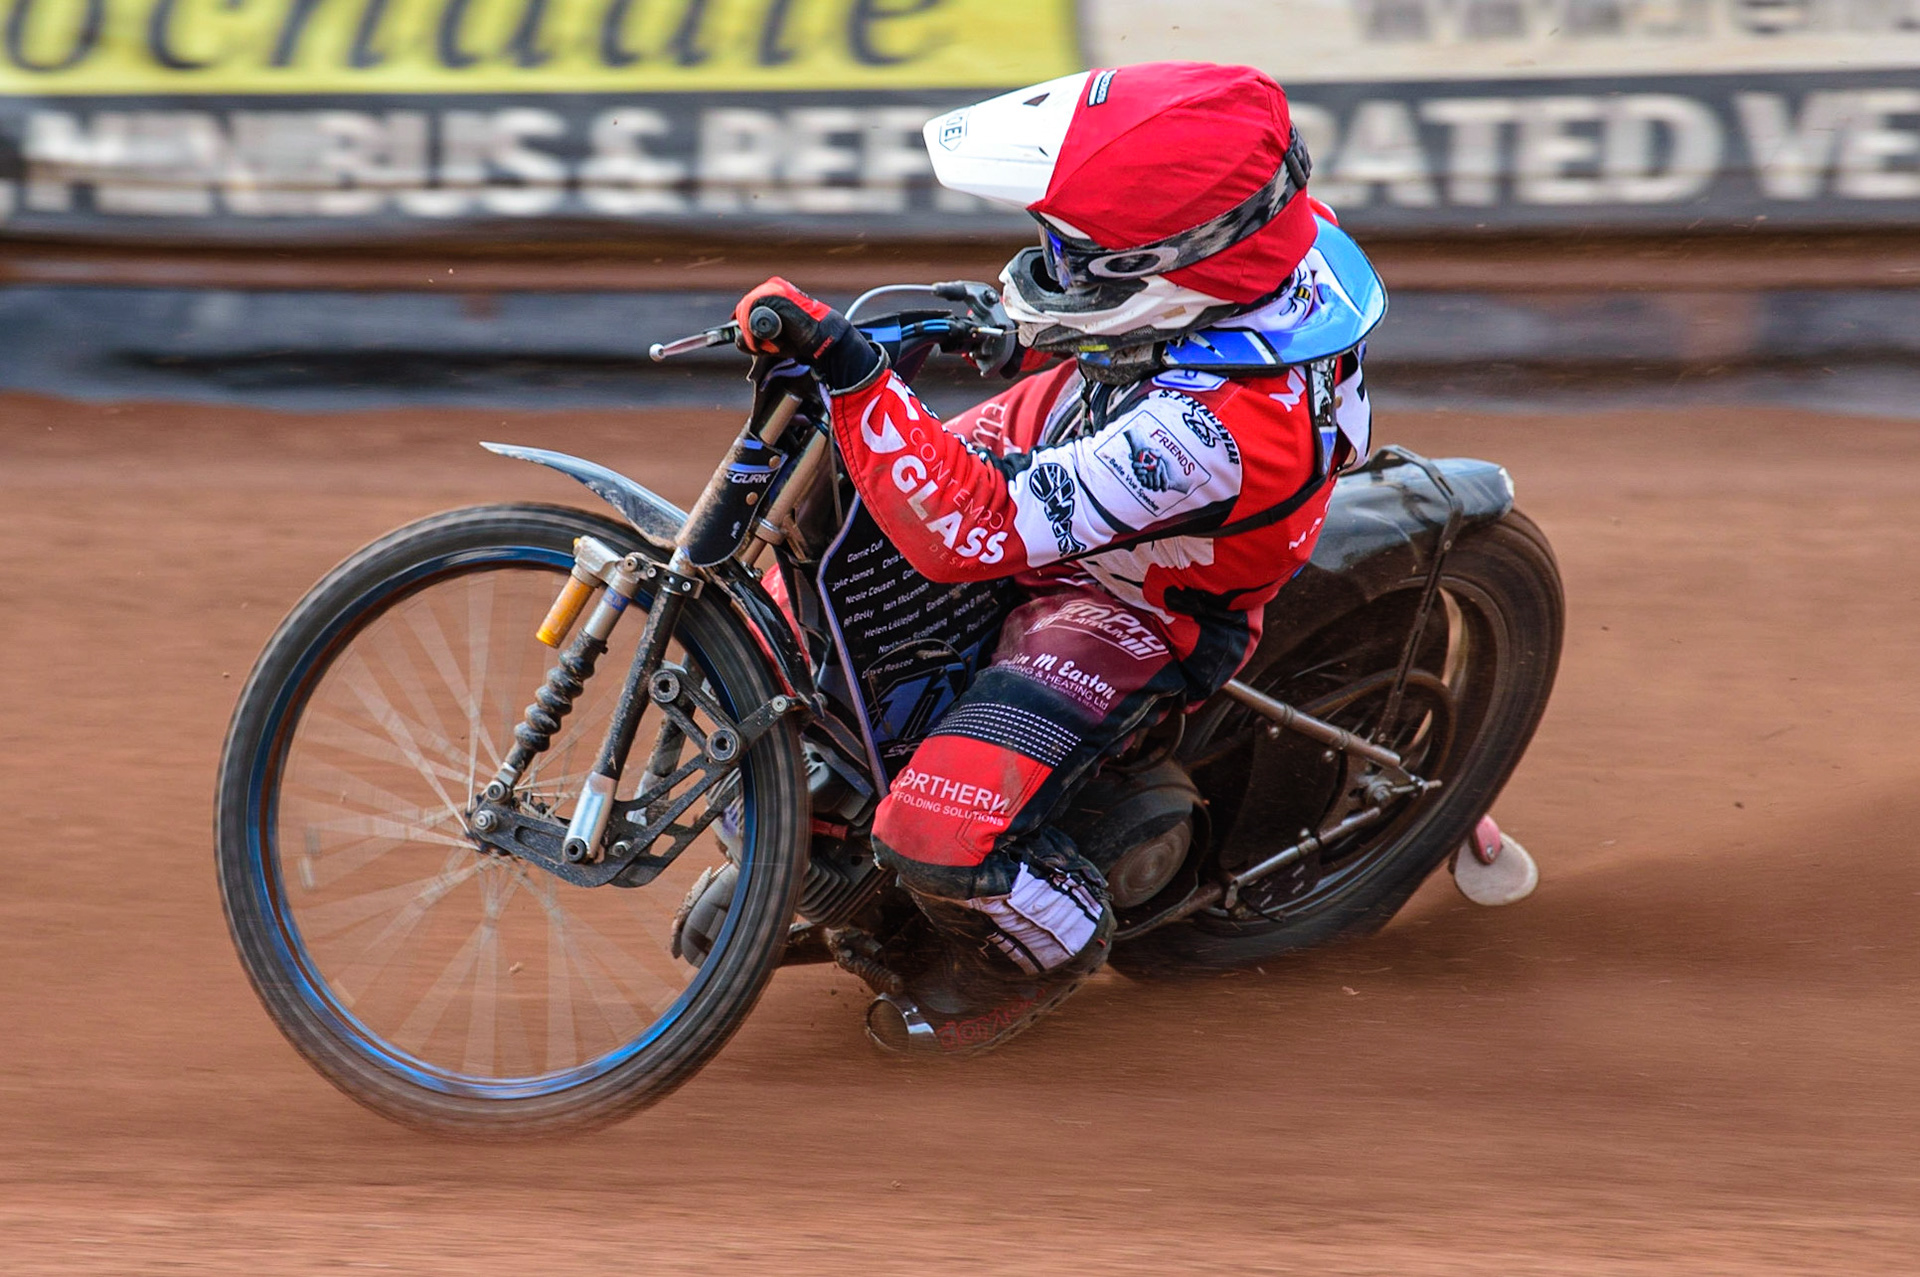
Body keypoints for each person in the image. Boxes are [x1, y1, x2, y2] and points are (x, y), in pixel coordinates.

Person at [731, 62, 1373, 1057]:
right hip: (1097, 430)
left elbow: (972, 535)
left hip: (1139, 593)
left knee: (936, 829)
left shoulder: (1211, 431)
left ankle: (1037, 945)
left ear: (1165, 269)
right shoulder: (1262, 229)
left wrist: (861, 375)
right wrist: (996, 321)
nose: (1051, 262)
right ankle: (813, 835)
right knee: (788, 607)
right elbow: (1113, 324)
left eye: (1077, 253)